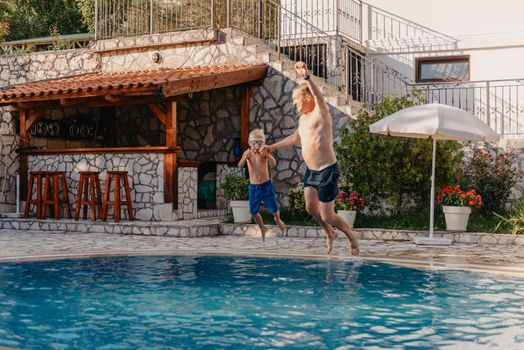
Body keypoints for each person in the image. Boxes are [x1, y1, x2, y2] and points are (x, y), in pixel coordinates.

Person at [261, 61, 360, 255]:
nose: (293, 103)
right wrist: (272, 147)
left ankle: (351, 236)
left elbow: (319, 97)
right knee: (310, 209)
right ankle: (330, 233)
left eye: (295, 99)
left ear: (307, 97)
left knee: (328, 214)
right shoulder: (303, 119)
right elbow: (296, 137)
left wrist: (307, 77)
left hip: (327, 170)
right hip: (311, 171)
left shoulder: (320, 113)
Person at [238, 129, 286, 241]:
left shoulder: (264, 152)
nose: (256, 145)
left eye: (259, 143)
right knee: (253, 211)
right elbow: (240, 165)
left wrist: (268, 156)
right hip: (254, 187)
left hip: (266, 185)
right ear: (250, 143)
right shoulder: (247, 153)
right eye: (253, 143)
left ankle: (278, 220)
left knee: (274, 208)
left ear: (263, 143)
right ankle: (262, 227)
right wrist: (244, 159)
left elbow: (273, 163)